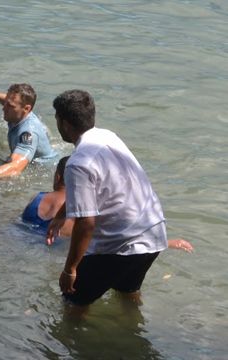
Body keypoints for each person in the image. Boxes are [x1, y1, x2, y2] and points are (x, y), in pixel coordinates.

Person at [46, 89, 169, 308]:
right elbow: (93, 191)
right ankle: (133, 334)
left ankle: (72, 342)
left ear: (63, 123)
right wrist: (61, 214)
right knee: (127, 293)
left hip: (121, 243)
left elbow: (86, 223)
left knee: (72, 303)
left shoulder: (77, 163)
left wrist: (70, 269)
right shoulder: (108, 136)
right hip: (154, 233)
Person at [21, 156, 194, 252]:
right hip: (59, 251)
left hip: (25, 244)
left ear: (57, 177)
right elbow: (113, 239)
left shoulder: (36, 199)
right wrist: (167, 243)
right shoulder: (84, 209)